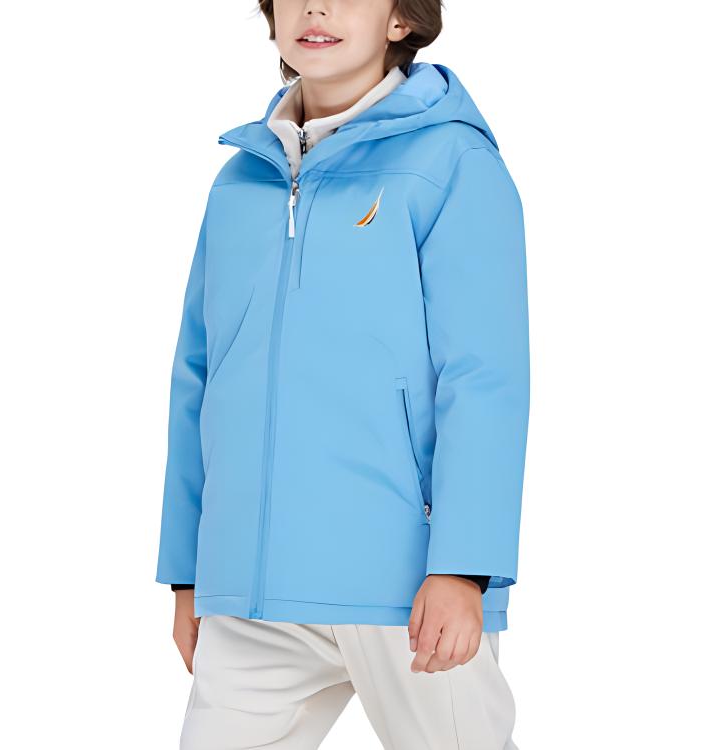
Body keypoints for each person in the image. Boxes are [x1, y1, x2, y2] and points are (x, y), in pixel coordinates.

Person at [156, 1, 529, 747]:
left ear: (400, 20)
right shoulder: (240, 182)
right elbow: (199, 377)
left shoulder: (451, 164)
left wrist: (465, 567)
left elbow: (483, 377)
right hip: (252, 593)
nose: (317, 7)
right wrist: (190, 571)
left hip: (408, 587)